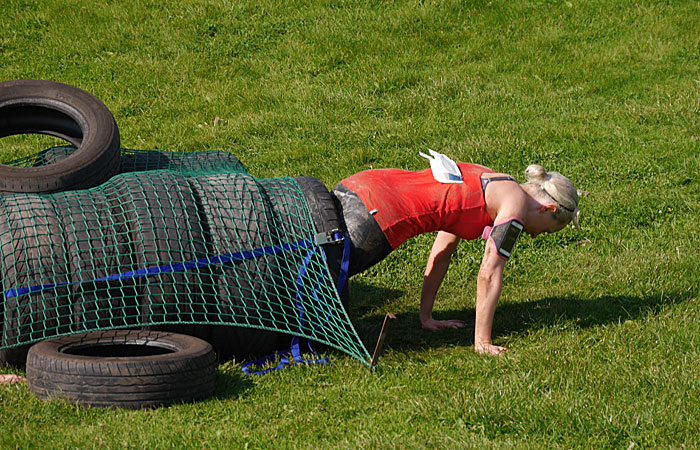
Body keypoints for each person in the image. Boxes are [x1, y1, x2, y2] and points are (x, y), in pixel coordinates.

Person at [331, 156, 580, 356]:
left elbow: (443, 251)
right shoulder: (515, 206)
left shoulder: (490, 177)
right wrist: (482, 342)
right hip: (379, 216)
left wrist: (426, 317)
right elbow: (490, 272)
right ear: (547, 209)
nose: (535, 236)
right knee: (322, 271)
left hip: (363, 184)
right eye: (545, 230)